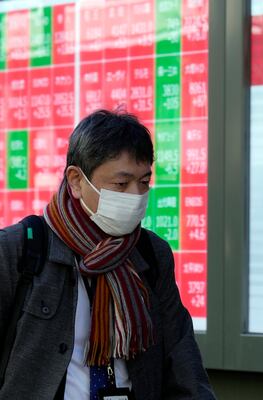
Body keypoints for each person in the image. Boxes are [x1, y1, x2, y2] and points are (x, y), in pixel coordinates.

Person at [0, 110, 216, 399]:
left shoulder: (151, 254)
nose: (136, 196)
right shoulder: (21, 248)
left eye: (144, 182)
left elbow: (182, 360)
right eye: (120, 184)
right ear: (77, 181)